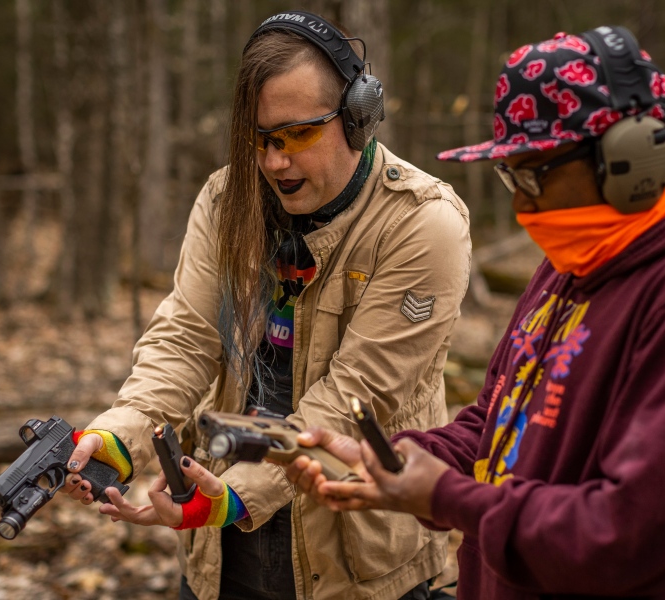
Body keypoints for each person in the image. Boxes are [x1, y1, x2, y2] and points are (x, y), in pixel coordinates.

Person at [288, 26, 665, 600]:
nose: (519, 203)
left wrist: (444, 495)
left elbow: (629, 536)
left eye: (532, 174)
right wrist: (408, 460)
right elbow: (500, 424)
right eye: (505, 173)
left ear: (630, 158)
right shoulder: (574, 258)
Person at [59, 10, 471, 600]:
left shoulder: (422, 224)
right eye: (259, 139)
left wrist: (233, 497)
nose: (275, 161)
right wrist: (120, 436)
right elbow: (188, 338)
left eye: (297, 134)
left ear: (357, 116)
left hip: (357, 558)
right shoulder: (229, 198)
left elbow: (356, 399)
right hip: (220, 544)